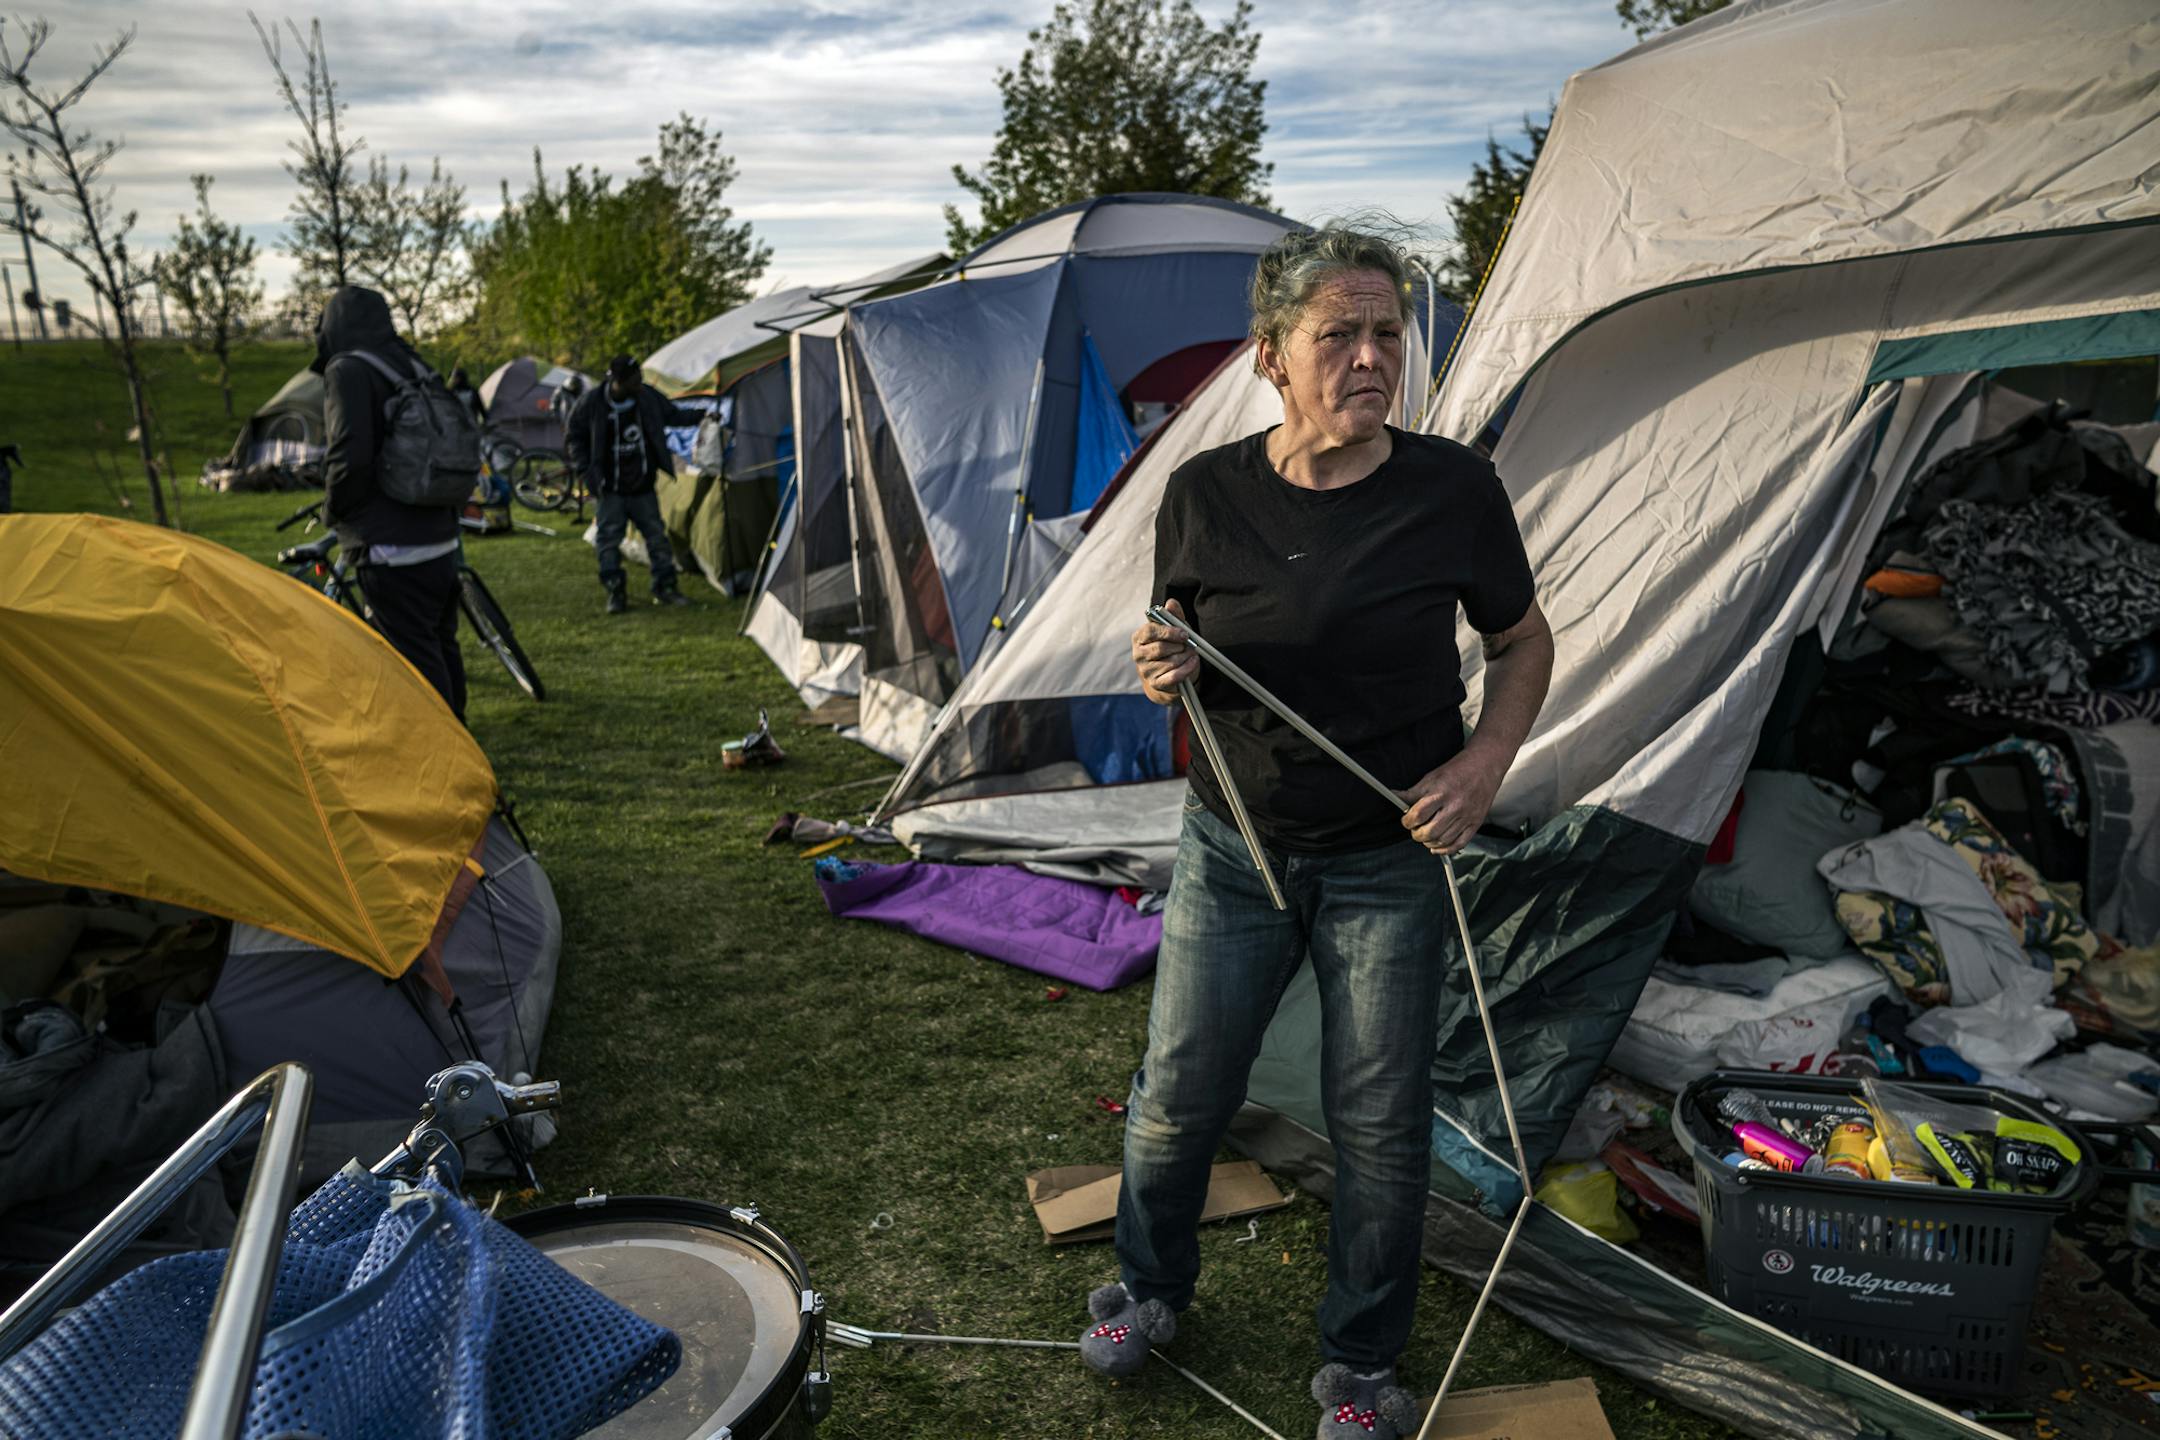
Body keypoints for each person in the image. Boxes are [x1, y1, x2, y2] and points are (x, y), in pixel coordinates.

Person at [1083, 224, 1555, 1440]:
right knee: (1182, 1090)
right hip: (1235, 847)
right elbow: (1173, 634)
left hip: (1390, 857)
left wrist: (1483, 761)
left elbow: (1521, 643)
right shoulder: (1204, 493)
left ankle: (1361, 1367)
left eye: (1387, 333)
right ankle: (1147, 1286)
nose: (1369, 357)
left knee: (1379, 1118)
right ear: (1271, 359)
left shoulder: (1453, 489)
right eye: (1337, 334)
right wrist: (1159, 662)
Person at [315, 285, 467, 718]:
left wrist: (333, 508)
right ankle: (462, 740)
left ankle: (446, 758)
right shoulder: (410, 364)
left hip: (390, 544)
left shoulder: (347, 370)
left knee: (414, 660)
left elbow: (349, 455)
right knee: (440, 645)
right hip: (440, 533)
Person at [566, 356, 700, 613]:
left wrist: (704, 415)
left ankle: (666, 587)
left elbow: (673, 415)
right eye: (635, 379)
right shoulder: (594, 402)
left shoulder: (646, 397)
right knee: (608, 541)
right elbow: (574, 434)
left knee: (657, 539)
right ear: (618, 381)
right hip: (610, 488)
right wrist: (586, 470)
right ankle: (615, 592)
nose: (640, 382)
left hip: (642, 485)